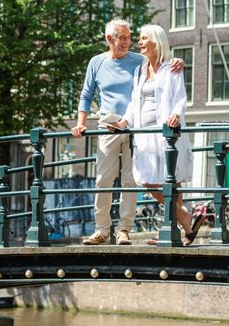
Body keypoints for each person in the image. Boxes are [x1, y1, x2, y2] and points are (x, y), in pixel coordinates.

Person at [72, 19, 183, 246]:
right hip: (108, 126)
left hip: (135, 127)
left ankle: (124, 230)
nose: (127, 42)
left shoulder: (139, 61)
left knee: (130, 180)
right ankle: (102, 230)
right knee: (103, 179)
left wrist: (179, 62)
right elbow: (86, 94)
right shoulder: (97, 63)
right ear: (109, 39)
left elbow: (162, 63)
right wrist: (81, 123)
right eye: (121, 37)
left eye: (129, 37)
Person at [114, 23, 198, 245]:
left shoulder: (172, 67)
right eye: (139, 39)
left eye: (143, 39)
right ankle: (185, 219)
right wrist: (124, 120)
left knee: (171, 181)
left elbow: (180, 98)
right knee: (148, 182)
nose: (139, 42)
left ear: (155, 41)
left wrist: (176, 116)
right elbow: (135, 103)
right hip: (145, 135)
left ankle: (176, 231)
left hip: (166, 132)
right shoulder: (140, 70)